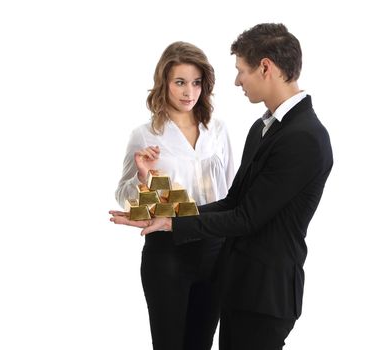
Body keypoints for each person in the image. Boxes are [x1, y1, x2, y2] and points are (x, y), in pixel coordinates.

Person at [110, 23, 333, 350]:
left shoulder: (302, 137)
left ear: (265, 67)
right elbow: (234, 201)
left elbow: (245, 215)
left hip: (255, 282)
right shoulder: (262, 128)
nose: (237, 80)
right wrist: (165, 215)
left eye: (241, 71)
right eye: (180, 83)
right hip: (218, 270)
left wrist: (175, 220)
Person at [114, 41, 235, 350]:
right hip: (168, 252)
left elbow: (232, 193)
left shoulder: (218, 131)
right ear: (164, 83)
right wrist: (143, 175)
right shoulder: (145, 134)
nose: (188, 92)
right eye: (180, 82)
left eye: (196, 83)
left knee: (201, 344)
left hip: (215, 250)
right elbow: (124, 196)